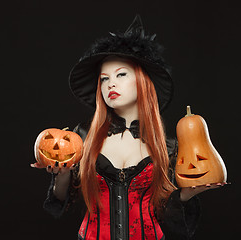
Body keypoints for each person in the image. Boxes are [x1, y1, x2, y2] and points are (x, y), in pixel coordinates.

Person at [31, 15, 224, 240]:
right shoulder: (82, 136)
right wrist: (62, 174)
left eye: (121, 74)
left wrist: (187, 194)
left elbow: (169, 217)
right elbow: (60, 201)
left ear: (143, 81)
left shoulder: (168, 146)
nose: (111, 83)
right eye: (104, 79)